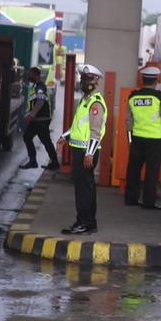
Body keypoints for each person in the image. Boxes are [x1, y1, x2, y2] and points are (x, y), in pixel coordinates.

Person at [56, 65, 106, 235]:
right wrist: (65, 136)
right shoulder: (84, 101)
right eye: (83, 79)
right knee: (85, 187)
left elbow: (96, 131)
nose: (84, 82)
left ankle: (84, 223)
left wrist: (90, 153)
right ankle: (88, 223)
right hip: (80, 150)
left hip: (87, 152)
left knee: (84, 188)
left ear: (96, 82)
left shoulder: (95, 103)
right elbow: (77, 126)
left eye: (88, 80)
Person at [124, 66, 161, 210]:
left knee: (133, 170)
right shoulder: (159, 97)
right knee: (152, 172)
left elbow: (128, 121)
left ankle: (131, 199)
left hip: (137, 138)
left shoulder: (133, 97)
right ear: (156, 80)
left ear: (142, 80)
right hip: (155, 141)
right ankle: (148, 202)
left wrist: (130, 140)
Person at [20, 67, 59, 170]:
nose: (29, 76)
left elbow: (40, 102)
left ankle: (54, 163)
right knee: (27, 137)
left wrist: (30, 115)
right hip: (36, 120)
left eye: (31, 74)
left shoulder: (40, 87)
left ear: (36, 75)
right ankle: (33, 161)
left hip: (41, 120)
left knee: (45, 141)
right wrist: (30, 114)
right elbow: (34, 103)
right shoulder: (35, 87)